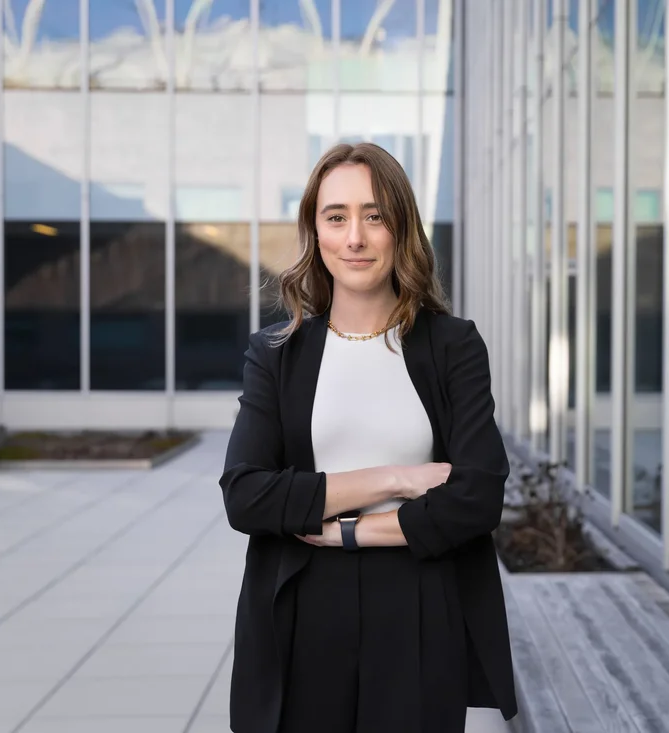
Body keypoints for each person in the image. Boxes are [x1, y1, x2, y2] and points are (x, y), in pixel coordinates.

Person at [219, 142, 518, 733]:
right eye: (336, 217)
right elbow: (247, 496)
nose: (354, 237)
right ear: (316, 232)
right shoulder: (275, 354)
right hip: (302, 605)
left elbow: (478, 497)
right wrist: (395, 478)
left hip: (422, 603)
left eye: (374, 215)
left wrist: (349, 534)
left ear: (400, 228)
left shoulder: (453, 346)